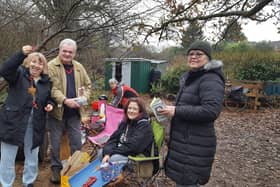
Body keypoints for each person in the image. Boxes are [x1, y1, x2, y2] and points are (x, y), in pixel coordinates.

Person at [159, 40, 225, 187]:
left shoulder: (211, 78)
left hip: (195, 144)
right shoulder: (192, 77)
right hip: (185, 142)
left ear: (208, 58)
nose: (193, 57)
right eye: (191, 54)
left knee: (188, 182)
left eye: (199, 54)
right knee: (182, 181)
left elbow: (211, 111)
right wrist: (171, 109)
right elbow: (189, 105)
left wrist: (176, 110)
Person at [0, 46, 54, 187]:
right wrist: (21, 53)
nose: (36, 65)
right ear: (27, 62)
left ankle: (28, 182)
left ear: (44, 67)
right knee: (7, 158)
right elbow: (5, 69)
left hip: (35, 124)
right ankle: (6, 184)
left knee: (32, 157)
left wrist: (50, 104)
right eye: (34, 61)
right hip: (13, 123)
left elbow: (49, 98)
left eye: (40, 63)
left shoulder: (46, 82)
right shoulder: (17, 75)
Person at [47, 38, 92, 184]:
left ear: (74, 53)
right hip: (57, 113)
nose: (67, 54)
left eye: (70, 52)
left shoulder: (79, 67)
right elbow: (52, 89)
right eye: (64, 51)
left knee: (77, 143)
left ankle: (74, 170)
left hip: (74, 114)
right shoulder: (51, 66)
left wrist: (84, 97)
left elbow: (88, 84)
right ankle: (55, 169)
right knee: (55, 144)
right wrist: (66, 100)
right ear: (59, 50)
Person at [99, 97, 154, 165]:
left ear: (140, 111)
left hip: (138, 156)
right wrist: (108, 153)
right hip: (123, 151)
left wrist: (112, 152)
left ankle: (114, 173)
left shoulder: (144, 126)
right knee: (101, 153)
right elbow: (113, 139)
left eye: (135, 109)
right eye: (129, 108)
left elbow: (133, 147)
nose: (131, 111)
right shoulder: (125, 122)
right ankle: (108, 173)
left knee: (113, 158)